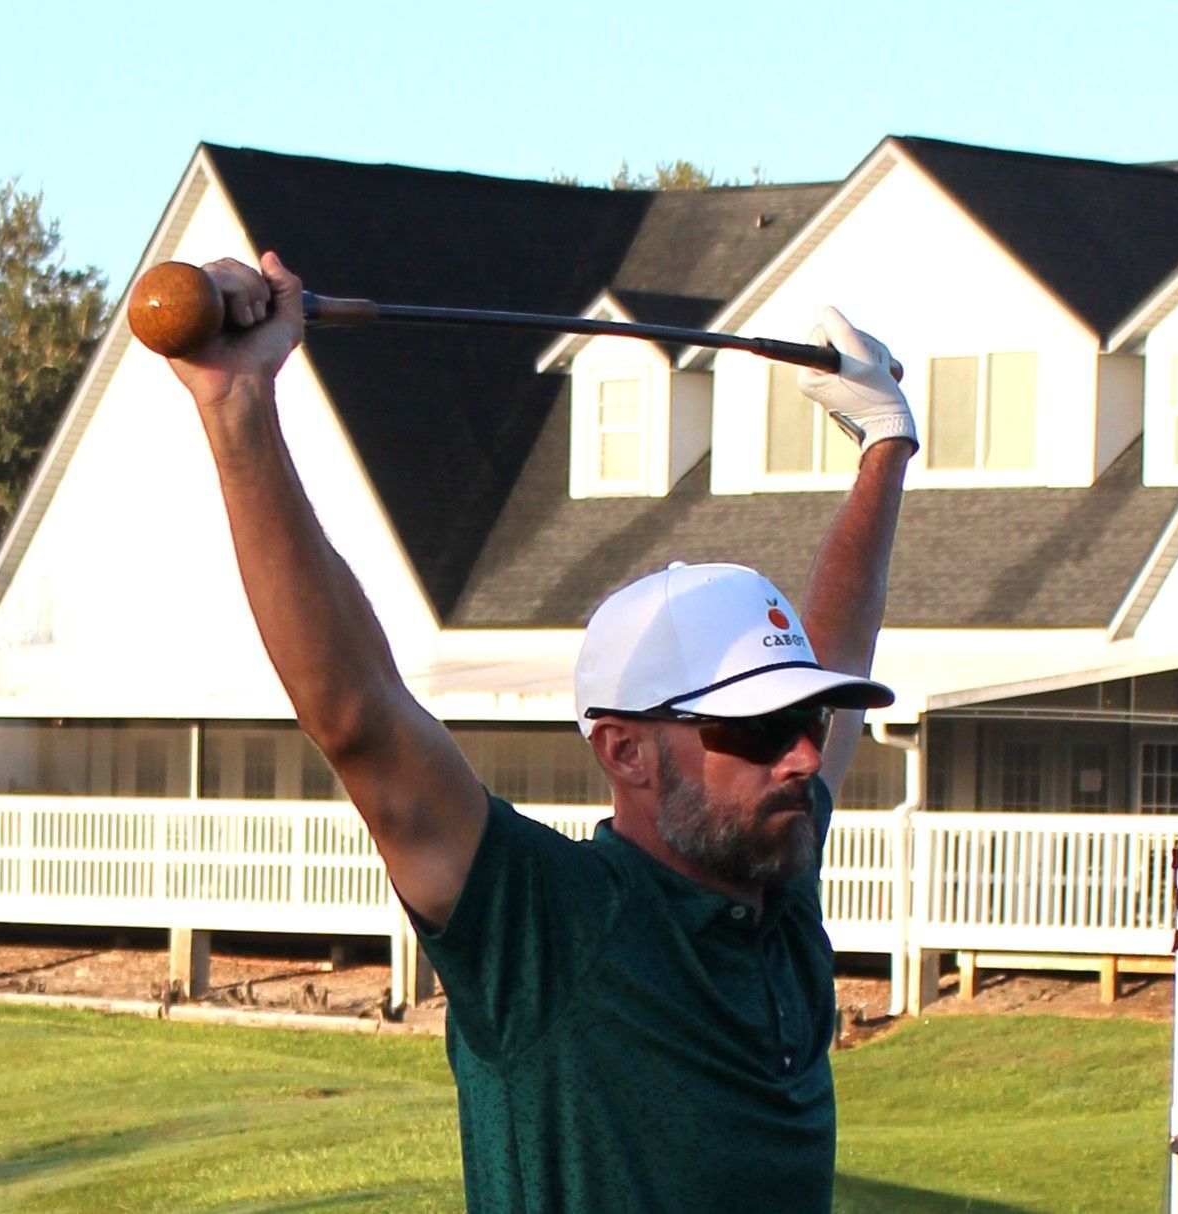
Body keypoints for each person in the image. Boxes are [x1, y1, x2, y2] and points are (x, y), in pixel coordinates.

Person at [167, 252, 917, 1213]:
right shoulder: (547, 928)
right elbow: (357, 714)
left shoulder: (771, 876)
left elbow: (839, 641)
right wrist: (239, 414)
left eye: (805, 719)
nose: (805, 755)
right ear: (625, 751)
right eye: (755, 729)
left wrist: (885, 445)